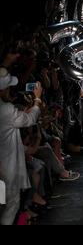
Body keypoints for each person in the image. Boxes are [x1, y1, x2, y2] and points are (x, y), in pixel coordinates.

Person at [0, 68, 42, 225]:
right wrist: (37, 100)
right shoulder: (6, 109)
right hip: (7, 168)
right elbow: (30, 120)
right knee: (11, 205)